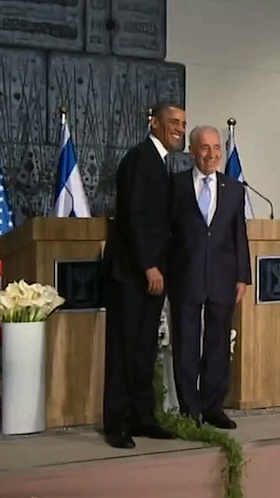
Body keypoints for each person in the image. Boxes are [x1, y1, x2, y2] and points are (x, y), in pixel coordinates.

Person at [101, 102, 187, 449]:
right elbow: (132, 217)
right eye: (172, 122)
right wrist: (149, 265)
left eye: (182, 123)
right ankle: (117, 424)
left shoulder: (161, 162)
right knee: (124, 350)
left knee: (143, 349)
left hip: (150, 275)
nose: (179, 128)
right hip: (132, 274)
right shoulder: (141, 159)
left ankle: (142, 416)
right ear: (154, 123)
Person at [167, 125, 251, 429]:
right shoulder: (175, 186)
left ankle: (214, 407)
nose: (212, 154)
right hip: (185, 276)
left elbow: (238, 234)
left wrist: (243, 276)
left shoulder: (234, 189)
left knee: (217, 345)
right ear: (192, 152)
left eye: (217, 148)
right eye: (205, 148)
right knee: (186, 344)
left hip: (223, 278)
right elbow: (167, 233)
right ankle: (190, 409)